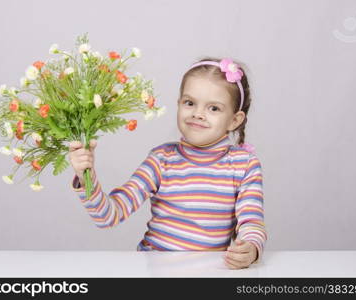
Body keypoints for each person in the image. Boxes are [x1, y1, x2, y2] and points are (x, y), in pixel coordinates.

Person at [68, 57, 267, 270]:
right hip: (156, 272)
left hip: (210, 273)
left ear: (234, 120)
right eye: (189, 103)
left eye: (214, 109)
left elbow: (252, 222)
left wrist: (251, 249)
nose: (198, 114)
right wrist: (85, 175)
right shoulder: (161, 159)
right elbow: (108, 215)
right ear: (179, 104)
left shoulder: (244, 165)